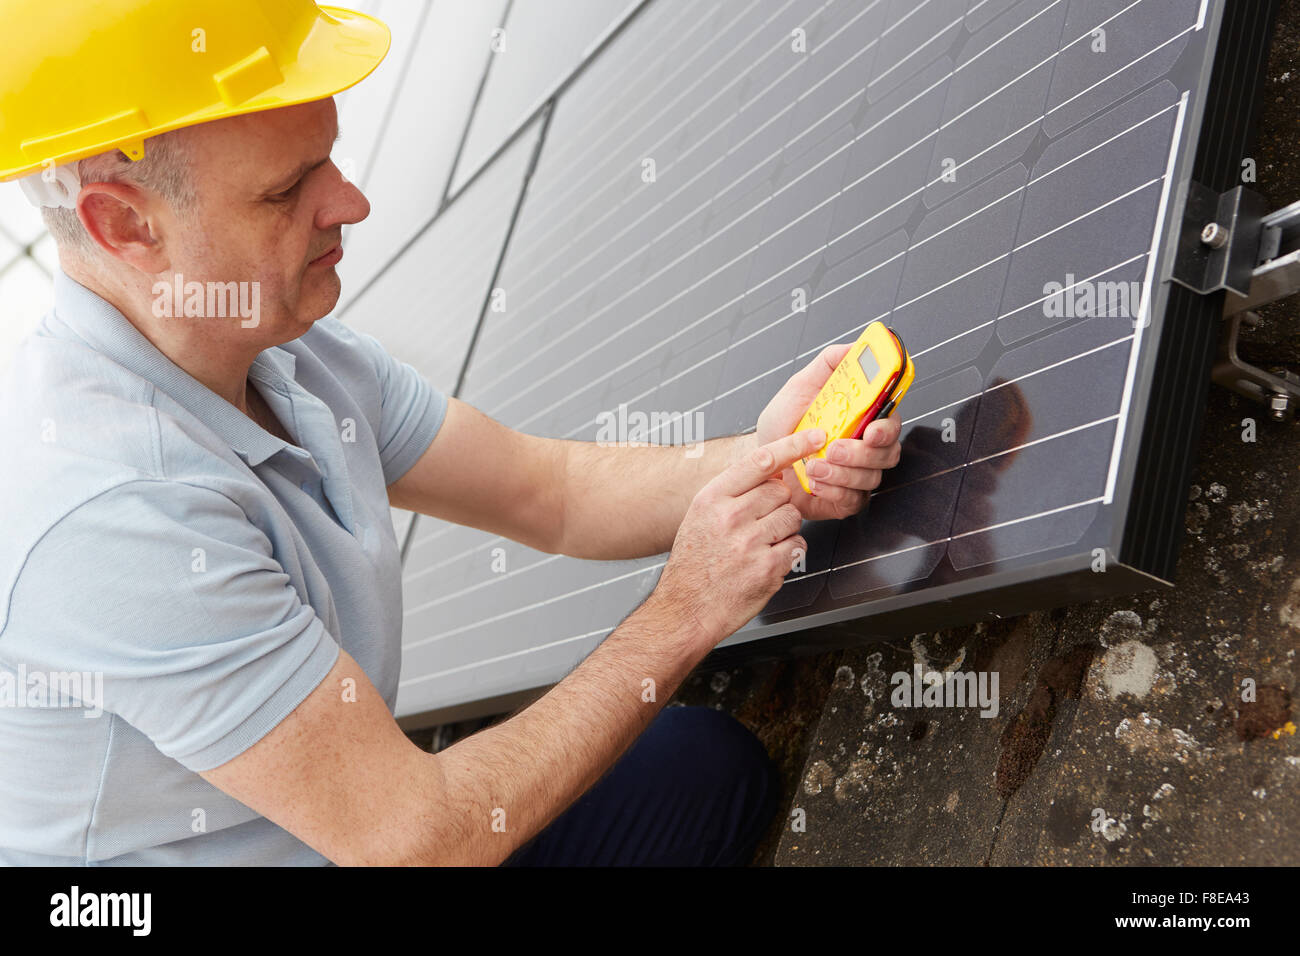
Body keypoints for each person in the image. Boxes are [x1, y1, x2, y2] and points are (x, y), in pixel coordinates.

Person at [0, 0, 903, 865]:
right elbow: (416, 844)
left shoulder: (275, 344)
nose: (349, 205)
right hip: (369, 845)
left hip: (363, 827)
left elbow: (545, 491)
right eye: (284, 194)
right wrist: (684, 611)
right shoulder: (111, 521)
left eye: (328, 159)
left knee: (706, 777)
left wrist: (769, 458)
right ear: (123, 222)